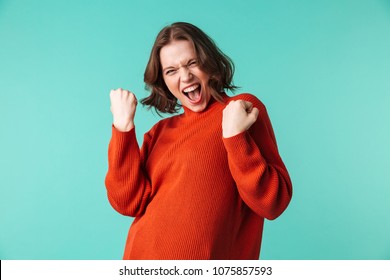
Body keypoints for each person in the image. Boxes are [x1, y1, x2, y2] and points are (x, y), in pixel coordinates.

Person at [105, 22, 292, 260]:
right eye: (171, 71)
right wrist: (123, 127)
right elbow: (126, 203)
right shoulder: (159, 132)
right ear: (163, 81)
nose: (185, 76)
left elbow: (272, 203)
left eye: (192, 63)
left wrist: (235, 137)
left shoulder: (241, 109)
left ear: (209, 64)